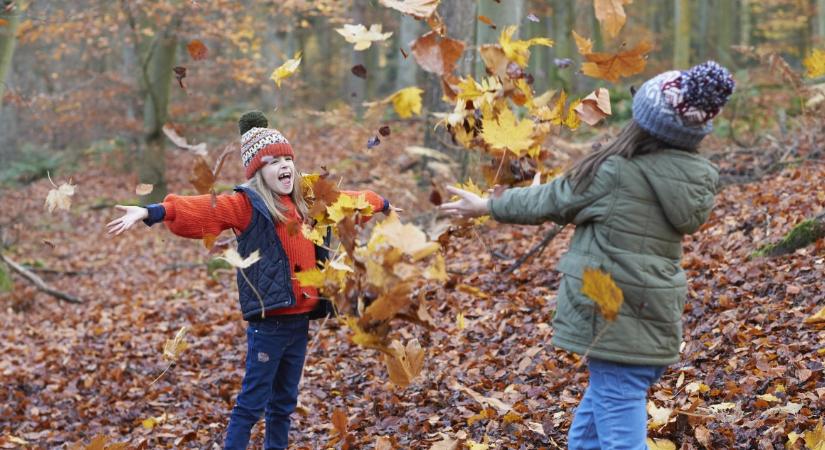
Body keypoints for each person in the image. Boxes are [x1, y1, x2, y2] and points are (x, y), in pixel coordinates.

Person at [440, 61, 735, 449]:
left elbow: (549, 200)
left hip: (615, 322)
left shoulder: (613, 172)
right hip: (653, 319)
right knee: (592, 429)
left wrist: (486, 207)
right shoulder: (693, 179)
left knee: (619, 432)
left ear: (642, 121)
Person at [107, 111, 391, 450]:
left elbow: (348, 198)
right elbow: (203, 209)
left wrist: (382, 204)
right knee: (252, 404)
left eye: (288, 158)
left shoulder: (308, 197)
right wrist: (151, 212)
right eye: (273, 162)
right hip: (269, 323)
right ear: (258, 171)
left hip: (299, 320)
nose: (284, 166)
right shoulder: (247, 204)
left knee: (284, 402)